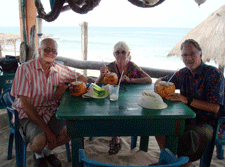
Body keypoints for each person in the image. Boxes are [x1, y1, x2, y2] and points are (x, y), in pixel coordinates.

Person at [11, 38, 87, 167]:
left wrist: (66, 86)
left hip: (49, 112)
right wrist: (48, 132)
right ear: (39, 50)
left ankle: (47, 151)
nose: (50, 53)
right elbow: (26, 105)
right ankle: (38, 154)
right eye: (47, 49)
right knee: (40, 140)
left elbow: (83, 78)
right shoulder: (25, 69)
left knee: (71, 131)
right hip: (27, 115)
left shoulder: (58, 69)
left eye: (54, 51)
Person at [154, 39, 224, 167]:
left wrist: (186, 99)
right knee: (159, 124)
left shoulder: (214, 75)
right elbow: (163, 80)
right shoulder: (183, 73)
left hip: (206, 122)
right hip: (185, 117)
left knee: (190, 137)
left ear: (200, 55)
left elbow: (214, 108)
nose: (188, 58)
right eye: (185, 55)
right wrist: (159, 84)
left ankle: (183, 165)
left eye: (192, 54)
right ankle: (170, 160)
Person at [96, 41, 152, 155]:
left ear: (128, 54)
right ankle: (116, 138)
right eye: (117, 52)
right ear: (113, 54)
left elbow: (149, 79)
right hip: (112, 96)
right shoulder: (110, 67)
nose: (120, 55)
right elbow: (97, 85)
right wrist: (101, 76)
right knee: (113, 112)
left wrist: (130, 80)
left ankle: (132, 135)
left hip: (130, 98)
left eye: (123, 52)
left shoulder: (132, 66)